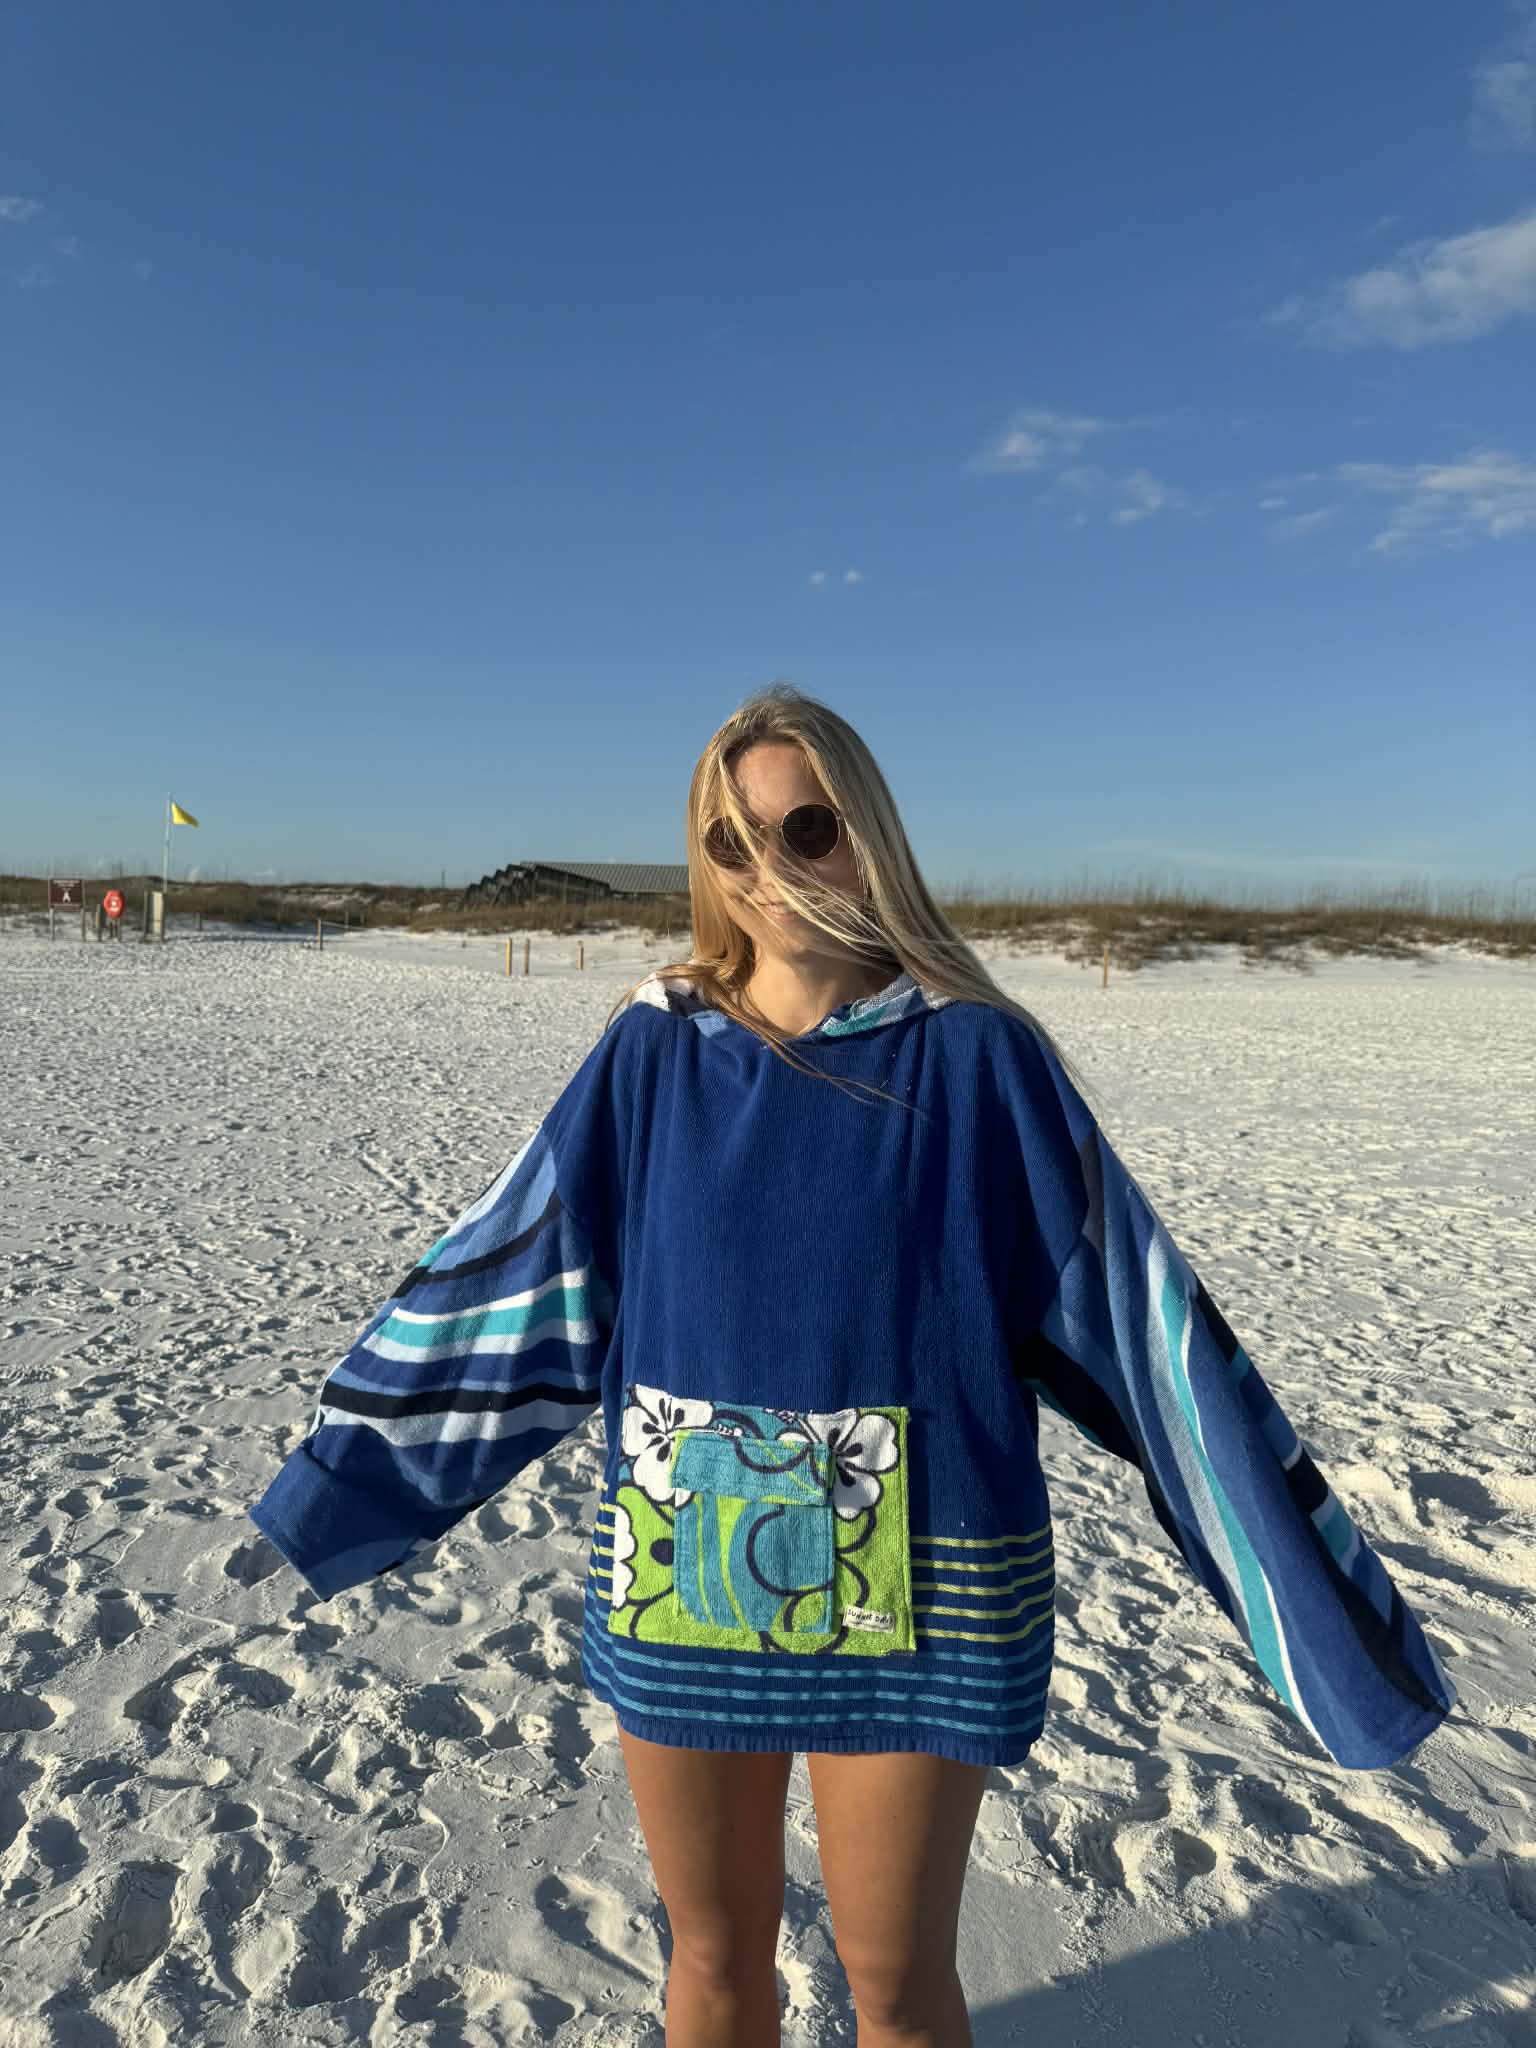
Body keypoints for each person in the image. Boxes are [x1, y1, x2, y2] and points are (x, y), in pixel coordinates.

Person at [249, 684, 1456, 2048]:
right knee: (713, 1964)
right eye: (731, 842)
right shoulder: (655, 1051)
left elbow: (1146, 1334)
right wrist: (343, 1483)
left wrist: (1322, 1614)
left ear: (867, 830)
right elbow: (521, 1271)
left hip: (937, 1587)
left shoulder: (981, 1059)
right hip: (682, 1571)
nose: (769, 869)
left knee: (896, 1986)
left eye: (805, 828)